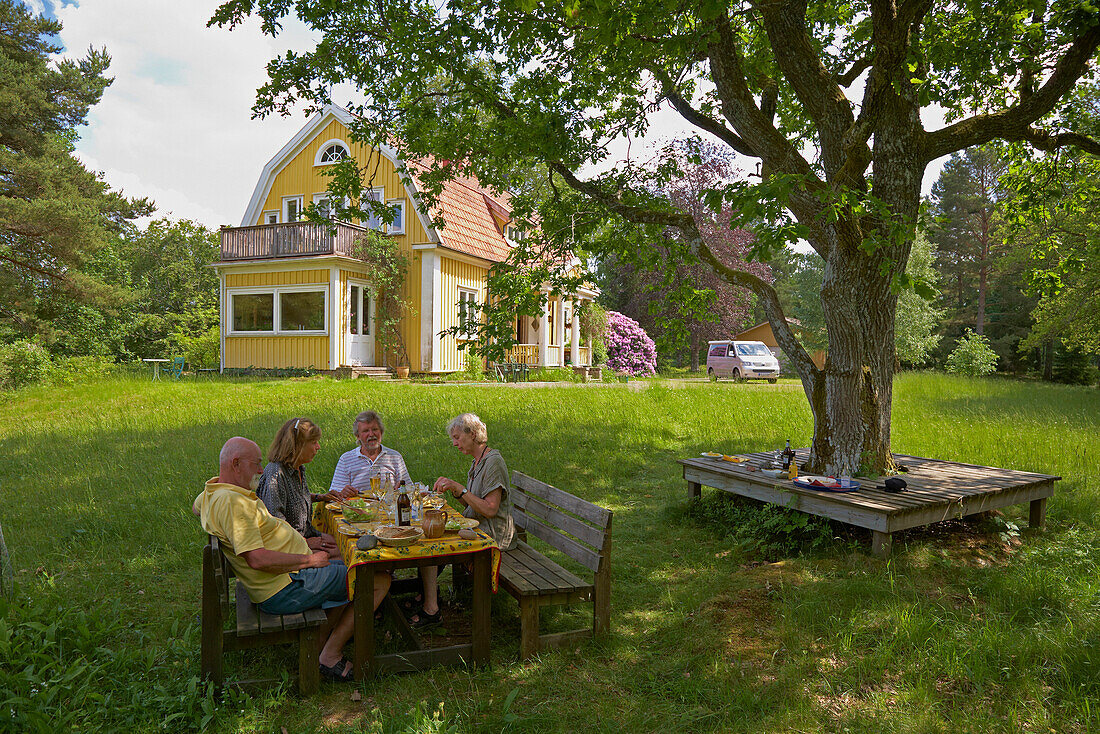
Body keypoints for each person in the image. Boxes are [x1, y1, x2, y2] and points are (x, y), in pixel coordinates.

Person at [194, 437, 391, 682]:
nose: (260, 471)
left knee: (347, 568)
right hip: (284, 587)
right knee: (377, 578)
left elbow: (197, 507)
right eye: (256, 464)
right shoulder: (234, 503)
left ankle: (319, 644)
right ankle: (330, 655)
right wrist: (310, 561)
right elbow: (256, 559)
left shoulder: (213, 492)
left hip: (283, 579)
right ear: (235, 464)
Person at [408, 413, 515, 627]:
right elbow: (475, 506)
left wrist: (460, 488)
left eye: (457, 437)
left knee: (432, 543)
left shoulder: (493, 462)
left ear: (472, 434)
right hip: (480, 527)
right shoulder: (478, 462)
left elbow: (491, 509)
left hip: (493, 536)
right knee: (430, 534)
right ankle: (427, 596)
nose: (455, 443)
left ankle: (431, 609)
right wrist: (455, 492)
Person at [257, 418, 342, 559]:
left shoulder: (297, 468)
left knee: (346, 543)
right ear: (298, 445)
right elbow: (275, 524)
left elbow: (294, 498)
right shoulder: (276, 473)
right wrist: (307, 543)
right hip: (289, 550)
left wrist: (320, 497)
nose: (318, 447)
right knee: (345, 554)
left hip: (306, 535)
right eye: (314, 442)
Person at [328, 410, 412, 495]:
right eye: (366, 431)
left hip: (388, 506)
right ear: (358, 436)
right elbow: (335, 495)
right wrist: (343, 493)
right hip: (358, 507)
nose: (371, 434)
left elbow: (409, 488)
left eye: (375, 429)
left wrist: (404, 487)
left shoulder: (394, 457)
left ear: (381, 432)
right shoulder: (346, 460)